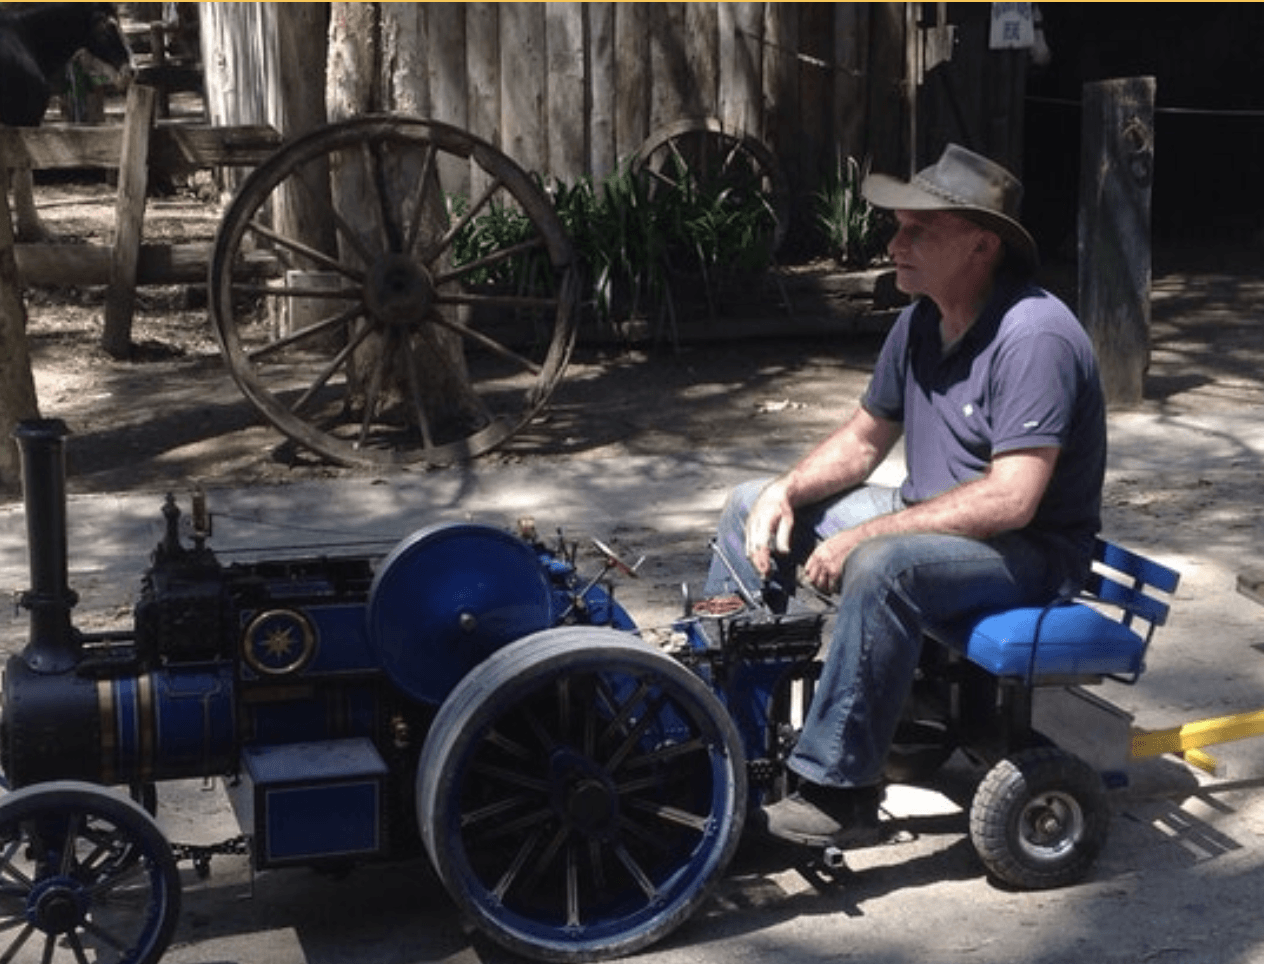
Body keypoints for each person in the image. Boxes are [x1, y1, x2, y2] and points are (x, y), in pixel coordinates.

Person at [703, 143, 1107, 847]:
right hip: (934, 522)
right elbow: (862, 442)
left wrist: (866, 537)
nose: (895, 243)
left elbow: (1013, 501)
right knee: (748, 505)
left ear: (982, 245)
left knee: (883, 568)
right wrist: (784, 490)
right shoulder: (920, 319)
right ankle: (725, 742)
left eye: (918, 230)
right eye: (898, 227)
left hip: (1031, 550)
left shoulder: (1034, 336)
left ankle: (840, 792)